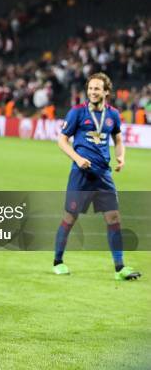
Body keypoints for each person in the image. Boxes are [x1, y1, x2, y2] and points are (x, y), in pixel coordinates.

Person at [54, 72, 141, 281]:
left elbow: (118, 139)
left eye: (97, 89)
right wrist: (77, 158)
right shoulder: (76, 113)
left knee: (114, 218)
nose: (92, 92)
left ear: (106, 92)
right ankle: (58, 261)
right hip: (81, 175)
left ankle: (120, 268)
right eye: (90, 88)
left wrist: (121, 157)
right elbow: (62, 140)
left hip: (103, 175)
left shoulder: (113, 115)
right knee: (70, 218)